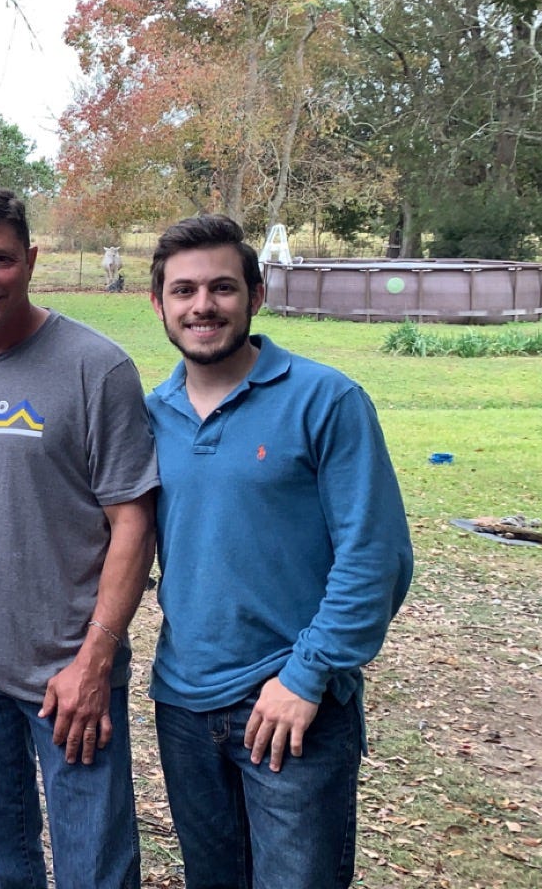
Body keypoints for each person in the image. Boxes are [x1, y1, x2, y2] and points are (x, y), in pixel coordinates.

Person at [143, 214, 413, 889]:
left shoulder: (327, 401)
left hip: (292, 706)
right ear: (159, 305)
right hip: (182, 702)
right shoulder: (151, 415)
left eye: (222, 288)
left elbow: (375, 556)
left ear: (256, 295)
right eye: (183, 291)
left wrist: (306, 676)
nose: (202, 306)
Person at [0, 187, 158, 889]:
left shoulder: (96, 368)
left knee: (94, 866)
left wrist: (95, 659)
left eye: (0, 260)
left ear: (31, 259)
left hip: (70, 662)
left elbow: (133, 520)